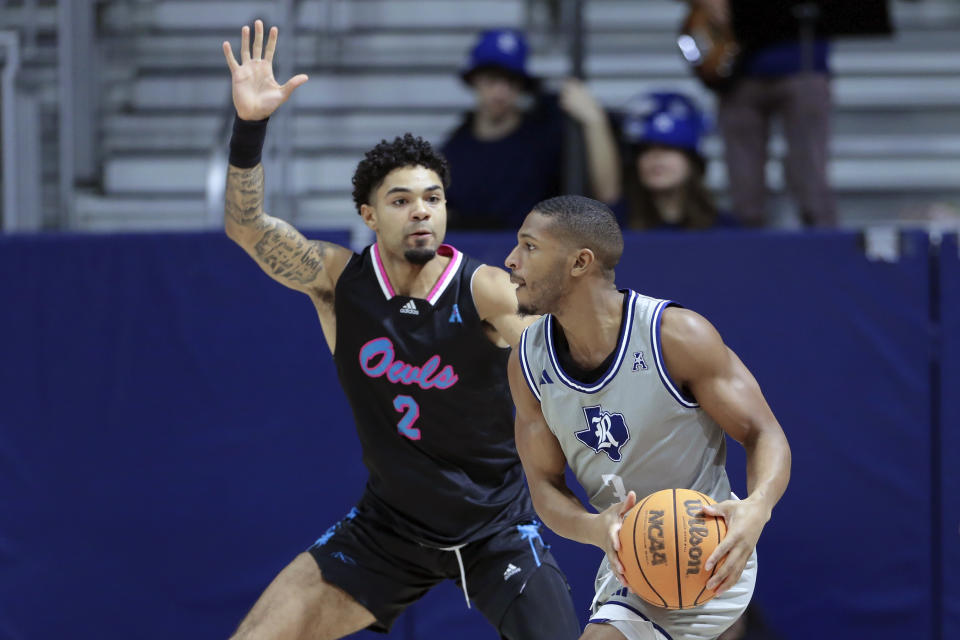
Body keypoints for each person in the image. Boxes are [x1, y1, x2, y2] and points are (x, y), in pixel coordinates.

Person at [220, 21, 580, 640]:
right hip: (389, 528)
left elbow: (566, 349)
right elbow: (246, 227)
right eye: (401, 199)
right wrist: (251, 125)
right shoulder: (340, 281)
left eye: (433, 198)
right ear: (368, 214)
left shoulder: (483, 287)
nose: (421, 210)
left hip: (493, 527)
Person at [503, 195, 792, 639]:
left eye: (529, 247)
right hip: (628, 558)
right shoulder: (527, 361)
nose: (512, 260)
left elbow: (762, 432)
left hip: (705, 546)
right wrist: (594, 527)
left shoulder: (674, 335)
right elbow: (544, 486)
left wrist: (758, 507)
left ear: (580, 262)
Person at [441, 28, 620, 229]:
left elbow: (607, 195)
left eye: (511, 81)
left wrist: (595, 121)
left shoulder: (546, 137)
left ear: (522, 85)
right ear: (474, 80)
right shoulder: (454, 151)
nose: (501, 91)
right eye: (491, 78)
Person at [683, 0, 837, 227]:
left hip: (802, 60)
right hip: (735, 69)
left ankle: (825, 249)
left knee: (810, 173)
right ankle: (747, 251)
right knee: (743, 182)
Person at [616, 91, 736, 230]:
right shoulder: (614, 227)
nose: (655, 156)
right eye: (645, 149)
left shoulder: (726, 229)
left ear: (693, 160)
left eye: (668, 147)